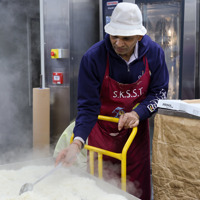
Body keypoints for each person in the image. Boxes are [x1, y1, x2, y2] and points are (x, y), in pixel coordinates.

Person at [56, 2, 169, 200]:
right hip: (101, 137)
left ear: (139, 36)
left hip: (134, 137)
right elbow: (88, 107)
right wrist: (76, 144)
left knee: (137, 191)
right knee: (101, 190)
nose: (118, 43)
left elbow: (159, 93)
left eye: (126, 38)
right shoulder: (93, 58)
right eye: (114, 36)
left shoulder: (154, 53)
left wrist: (138, 113)